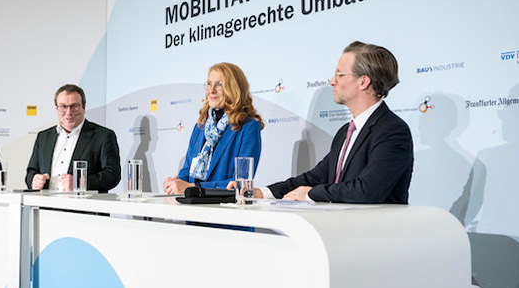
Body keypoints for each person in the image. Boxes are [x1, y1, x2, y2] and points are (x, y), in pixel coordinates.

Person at [251, 41, 413, 204]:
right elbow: (315, 177)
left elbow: (367, 190)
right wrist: (263, 193)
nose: (332, 82)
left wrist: (311, 194)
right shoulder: (346, 131)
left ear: (363, 82)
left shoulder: (392, 131)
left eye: (340, 75)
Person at [163, 62, 263, 194]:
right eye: (209, 84)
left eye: (219, 84)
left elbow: (239, 184)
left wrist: (191, 188)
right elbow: (187, 171)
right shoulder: (200, 127)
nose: (212, 90)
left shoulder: (248, 128)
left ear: (234, 89)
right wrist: (176, 183)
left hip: (225, 210)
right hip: (191, 208)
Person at [25, 84, 121, 193]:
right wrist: (34, 181)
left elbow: (112, 174)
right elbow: (31, 172)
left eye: (74, 106)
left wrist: (80, 183)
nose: (69, 113)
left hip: (83, 207)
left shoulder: (103, 136)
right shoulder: (43, 137)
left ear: (84, 107)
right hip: (46, 208)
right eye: (63, 107)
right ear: (57, 108)